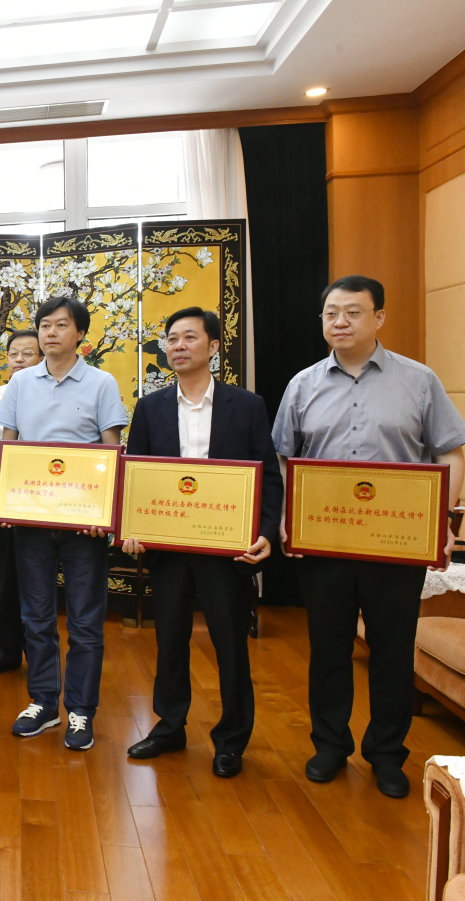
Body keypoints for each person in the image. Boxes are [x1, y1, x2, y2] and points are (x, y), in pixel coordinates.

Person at [273, 275, 465, 798]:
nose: (340, 322)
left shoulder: (419, 381)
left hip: (396, 543)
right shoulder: (302, 385)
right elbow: (286, 457)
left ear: (379, 317)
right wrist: (289, 515)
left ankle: (386, 754)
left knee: (392, 651)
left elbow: (450, 452)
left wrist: (442, 521)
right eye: (331, 313)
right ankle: (330, 745)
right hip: (325, 541)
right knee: (329, 648)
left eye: (353, 312)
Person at [120, 309, 282, 778]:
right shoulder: (150, 407)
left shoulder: (246, 405)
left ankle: (231, 740)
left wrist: (265, 532)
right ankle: (169, 727)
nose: (178, 346)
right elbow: (136, 474)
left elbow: (268, 477)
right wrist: (131, 525)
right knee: (169, 639)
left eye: (190, 337)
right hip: (169, 546)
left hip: (225, 548)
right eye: (171, 339)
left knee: (230, 643)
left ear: (213, 347)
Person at [0, 293, 129, 751]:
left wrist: (104, 513)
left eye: (61, 325)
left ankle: (81, 710)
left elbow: (111, 450)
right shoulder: (20, 383)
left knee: (86, 620)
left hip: (83, 523)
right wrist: (5, 503)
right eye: (45, 325)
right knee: (35, 616)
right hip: (31, 519)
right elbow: (9, 445)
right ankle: (44, 702)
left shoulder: (101, 383)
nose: (51, 333)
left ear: (80, 333)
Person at [0, 329, 42, 676]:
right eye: (13, 354)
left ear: (43, 358)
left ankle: (40, 655)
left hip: (43, 496)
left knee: (37, 578)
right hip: (2, 492)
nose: (18, 360)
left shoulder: (50, 395)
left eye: (27, 354)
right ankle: (8, 650)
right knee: (8, 577)